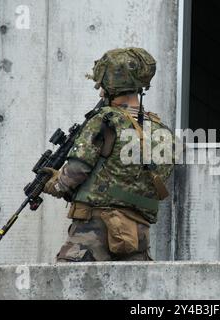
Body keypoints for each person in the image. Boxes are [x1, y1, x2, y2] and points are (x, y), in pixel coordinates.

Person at [41, 47, 174, 262]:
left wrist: (54, 182)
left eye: (102, 85)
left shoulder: (104, 121)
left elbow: (76, 171)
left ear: (112, 84)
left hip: (94, 233)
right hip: (136, 236)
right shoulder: (162, 131)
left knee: (67, 289)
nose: (100, 92)